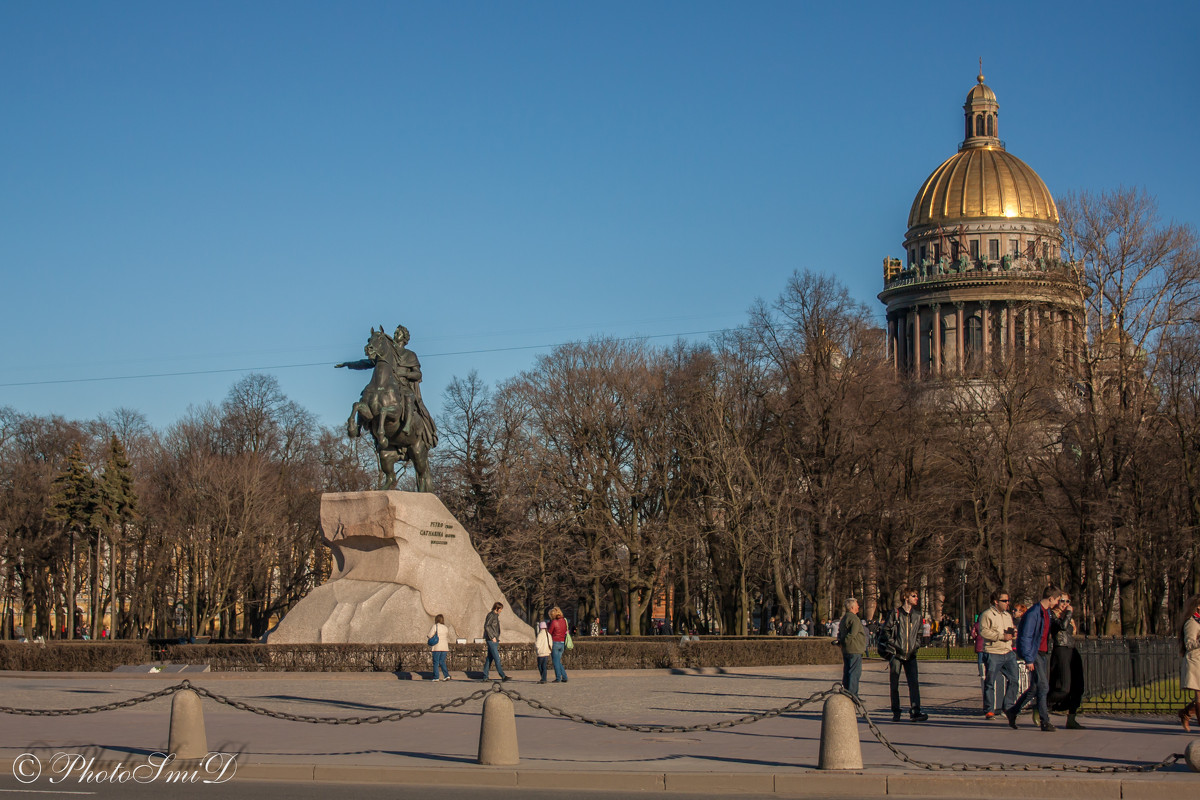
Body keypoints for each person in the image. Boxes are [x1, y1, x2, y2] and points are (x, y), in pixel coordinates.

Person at [1006, 585, 1064, 731]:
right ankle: (1045, 721)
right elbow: (1026, 636)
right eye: (1057, 600)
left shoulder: (1046, 612)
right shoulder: (1034, 613)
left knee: (1035, 688)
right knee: (1044, 686)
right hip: (1035, 653)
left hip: (1041, 653)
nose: (1057, 603)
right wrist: (1029, 659)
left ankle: (1013, 711)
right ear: (1050, 598)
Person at [877, 587, 928, 722]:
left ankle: (915, 711)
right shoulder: (895, 613)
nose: (916, 598)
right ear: (906, 598)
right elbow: (886, 631)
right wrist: (894, 644)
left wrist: (915, 645)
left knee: (914, 683)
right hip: (896, 653)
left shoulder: (917, 615)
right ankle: (896, 711)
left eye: (916, 596)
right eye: (913, 596)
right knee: (894, 683)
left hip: (911, 654)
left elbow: (919, 634)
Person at [979, 588, 1019, 720]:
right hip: (993, 652)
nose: (1007, 603)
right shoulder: (987, 615)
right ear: (996, 602)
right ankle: (989, 710)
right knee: (990, 682)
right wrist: (1001, 636)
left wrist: (1013, 634)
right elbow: (983, 632)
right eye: (1004, 600)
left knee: (1014, 679)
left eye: (1008, 600)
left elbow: (1009, 631)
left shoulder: (1007, 615)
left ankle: (1008, 706)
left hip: (1008, 651)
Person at [1047, 593, 1084, 729]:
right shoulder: (1052, 615)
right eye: (1062, 601)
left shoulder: (1066, 616)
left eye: (1068, 601)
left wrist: (1068, 615)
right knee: (1064, 688)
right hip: (1061, 649)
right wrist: (1068, 614)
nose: (1065, 604)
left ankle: (1072, 718)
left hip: (1071, 649)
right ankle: (1042, 704)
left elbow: (1071, 631)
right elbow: (1062, 627)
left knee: (1078, 686)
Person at [835, 597, 866, 697]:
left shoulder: (844, 618)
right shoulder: (854, 618)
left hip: (847, 650)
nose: (858, 606)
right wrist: (844, 642)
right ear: (852, 606)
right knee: (854, 673)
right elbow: (852, 634)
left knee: (847, 672)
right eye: (857, 604)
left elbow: (840, 633)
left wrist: (841, 642)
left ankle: (846, 692)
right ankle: (853, 695)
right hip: (854, 648)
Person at [1177, 594, 1200, 731]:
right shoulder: (1192, 622)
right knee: (1199, 696)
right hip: (1196, 661)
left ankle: (1185, 713)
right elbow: (1189, 643)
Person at [481, 601, 511, 682]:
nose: (501, 610)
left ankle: (485, 676)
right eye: (500, 609)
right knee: (497, 658)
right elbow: (486, 626)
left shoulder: (495, 616)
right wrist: (492, 637)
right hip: (491, 640)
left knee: (489, 659)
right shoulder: (491, 615)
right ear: (496, 608)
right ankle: (503, 676)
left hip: (494, 639)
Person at [548, 606, 569, 683]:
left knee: (556, 661)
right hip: (562, 642)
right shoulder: (564, 620)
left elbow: (550, 632)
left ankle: (558, 678)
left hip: (555, 642)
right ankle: (564, 676)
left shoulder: (554, 622)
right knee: (558, 661)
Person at [428, 613, 451, 681]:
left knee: (436, 662)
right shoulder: (445, 627)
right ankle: (446, 675)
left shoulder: (435, 626)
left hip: (437, 646)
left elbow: (429, 635)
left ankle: (436, 677)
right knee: (442, 661)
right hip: (444, 647)